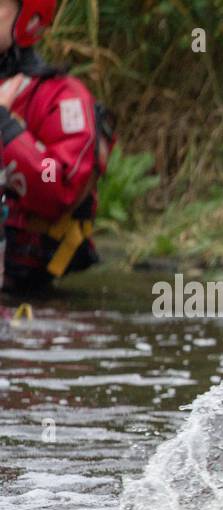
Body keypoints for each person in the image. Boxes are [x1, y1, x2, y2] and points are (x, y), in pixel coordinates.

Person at [0, 0, 116, 293]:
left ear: (28, 18)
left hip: (29, 290)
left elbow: (57, 187)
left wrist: (6, 127)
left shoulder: (63, 99)